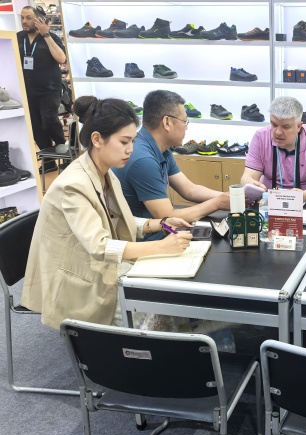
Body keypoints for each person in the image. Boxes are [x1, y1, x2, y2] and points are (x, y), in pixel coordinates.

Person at [22, 96, 193, 330]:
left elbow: (119, 218)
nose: (130, 149)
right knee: (159, 302)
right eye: (124, 142)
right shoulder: (73, 185)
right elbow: (100, 246)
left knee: (167, 291)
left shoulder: (104, 172)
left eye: (132, 141)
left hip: (97, 266)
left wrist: (160, 224)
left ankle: (176, 340)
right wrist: (161, 247)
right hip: (79, 280)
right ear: (97, 139)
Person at [113, 90, 230, 240]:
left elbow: (189, 189)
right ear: (167, 122)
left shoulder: (161, 148)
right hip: (144, 240)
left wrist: (227, 197)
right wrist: (217, 203)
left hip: (159, 231)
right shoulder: (143, 160)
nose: (186, 127)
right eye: (184, 122)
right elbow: (167, 216)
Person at [241, 96, 306, 201]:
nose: (278, 132)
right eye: (274, 125)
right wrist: (250, 184)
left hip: (305, 202)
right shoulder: (260, 137)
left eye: (285, 127)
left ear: (299, 126)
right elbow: (247, 177)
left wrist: (302, 196)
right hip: (268, 201)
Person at [17, 6, 67, 151]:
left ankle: (64, 150)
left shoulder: (51, 37)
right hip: (27, 91)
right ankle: (48, 159)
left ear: (39, 20)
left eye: (28, 18)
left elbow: (61, 58)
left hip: (49, 90)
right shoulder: (18, 37)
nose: (24, 21)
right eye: (22, 17)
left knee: (49, 120)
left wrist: (46, 35)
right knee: (36, 127)